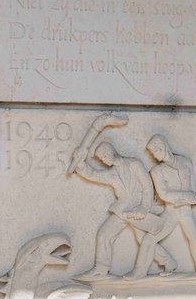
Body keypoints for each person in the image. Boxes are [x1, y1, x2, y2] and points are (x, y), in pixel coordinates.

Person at [69, 114, 177, 281]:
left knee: (143, 240)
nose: (104, 161)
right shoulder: (111, 174)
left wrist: (144, 207)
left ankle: (169, 262)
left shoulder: (134, 164)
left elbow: (147, 186)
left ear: (110, 151)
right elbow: (93, 174)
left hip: (138, 210)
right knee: (104, 235)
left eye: (104, 156)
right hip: (123, 211)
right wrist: (81, 165)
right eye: (101, 159)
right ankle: (101, 268)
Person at [143, 134, 196, 277]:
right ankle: (168, 263)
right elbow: (164, 195)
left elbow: (193, 187)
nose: (154, 156)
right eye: (152, 153)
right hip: (170, 212)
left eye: (155, 151)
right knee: (150, 239)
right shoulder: (156, 171)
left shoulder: (186, 162)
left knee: (195, 238)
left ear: (162, 147)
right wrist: (191, 198)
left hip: (186, 211)